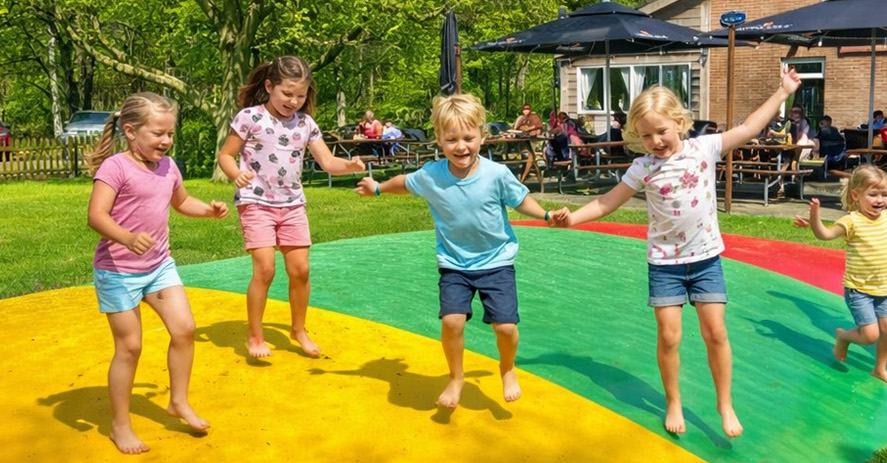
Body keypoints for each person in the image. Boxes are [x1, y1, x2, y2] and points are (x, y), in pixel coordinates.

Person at [548, 67, 805, 438]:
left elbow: (749, 127)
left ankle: (725, 403)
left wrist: (782, 93)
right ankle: (672, 400)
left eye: (662, 131)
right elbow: (607, 202)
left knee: (715, 333)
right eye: (646, 134)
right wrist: (572, 218)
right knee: (669, 337)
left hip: (705, 261)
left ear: (680, 122)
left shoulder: (705, 148)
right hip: (665, 264)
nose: (655, 140)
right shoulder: (643, 168)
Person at [354, 93, 553, 408]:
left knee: (505, 327)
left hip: (496, 261)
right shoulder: (433, 175)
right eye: (452, 139)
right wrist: (377, 188)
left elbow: (520, 200)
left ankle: (507, 366)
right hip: (454, 264)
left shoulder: (496, 174)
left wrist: (544, 215)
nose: (461, 146)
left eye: (468, 138)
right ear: (439, 140)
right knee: (452, 322)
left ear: (482, 136)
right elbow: (403, 182)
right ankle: (456, 377)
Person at [86, 92, 225, 454]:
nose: (166, 141)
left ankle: (178, 401)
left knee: (185, 329)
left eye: (170, 134)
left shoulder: (168, 166)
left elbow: (181, 202)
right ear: (130, 131)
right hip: (118, 272)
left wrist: (208, 210)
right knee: (130, 347)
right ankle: (120, 425)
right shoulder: (115, 168)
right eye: (158, 134)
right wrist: (127, 237)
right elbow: (96, 216)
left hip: (159, 266)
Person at [216, 55, 367, 359]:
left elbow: (326, 161)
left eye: (300, 95)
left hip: (292, 204)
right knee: (265, 269)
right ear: (269, 86)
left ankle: (298, 330)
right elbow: (226, 156)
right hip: (256, 202)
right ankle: (255, 336)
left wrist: (349, 166)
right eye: (287, 94)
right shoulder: (250, 117)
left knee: (300, 270)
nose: (294, 101)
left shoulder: (305, 124)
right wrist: (236, 174)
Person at [794, 166, 887, 388]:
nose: (880, 200)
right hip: (858, 290)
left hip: (884, 289)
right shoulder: (851, 221)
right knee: (870, 335)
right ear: (855, 195)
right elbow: (825, 234)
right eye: (873, 194)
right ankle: (844, 337)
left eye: (884, 194)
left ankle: (880, 369)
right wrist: (814, 217)